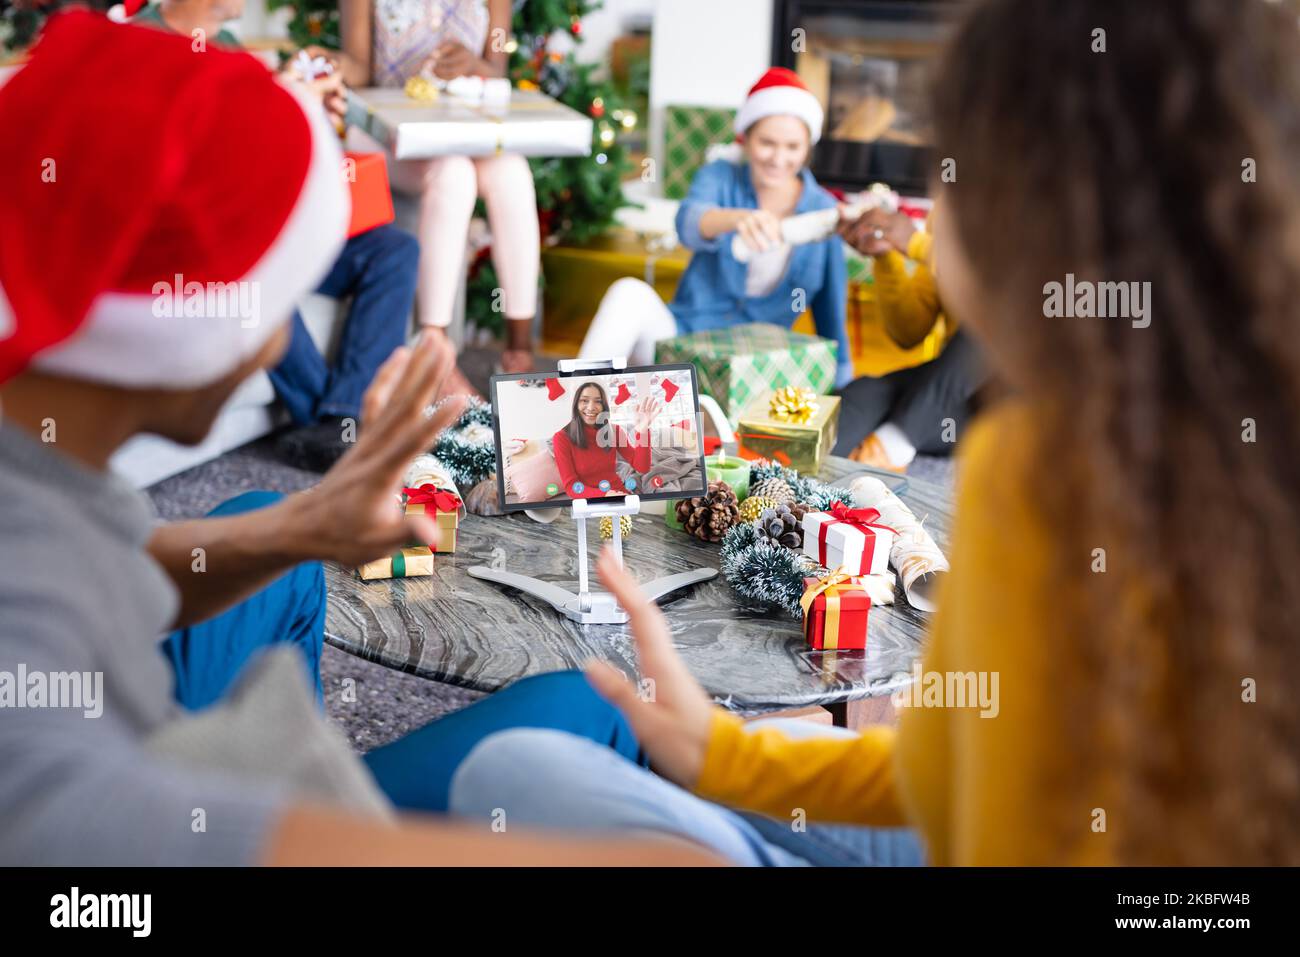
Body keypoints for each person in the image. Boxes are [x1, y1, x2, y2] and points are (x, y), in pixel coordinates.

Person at [441, 0, 1300, 866]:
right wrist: (719, 750)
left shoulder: (1034, 483)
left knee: (513, 776)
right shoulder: (1032, 457)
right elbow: (949, 775)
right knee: (525, 765)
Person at [0, 11, 716, 866]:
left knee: (277, 521)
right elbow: (69, 829)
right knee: (596, 705)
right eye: (272, 304)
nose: (274, 347)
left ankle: (302, 758)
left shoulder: (44, 474)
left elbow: (96, 572)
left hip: (178, 754)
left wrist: (299, 528)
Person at [131, 0, 424, 471]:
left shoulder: (227, 46)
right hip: (202, 247)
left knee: (394, 250)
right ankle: (339, 426)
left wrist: (308, 118)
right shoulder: (139, 46)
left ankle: (344, 418)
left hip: (263, 228)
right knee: (262, 272)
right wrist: (278, 106)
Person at [577, 68, 854, 390]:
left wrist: (844, 395)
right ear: (746, 139)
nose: (779, 158)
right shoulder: (720, 176)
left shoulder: (822, 213)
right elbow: (688, 223)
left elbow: (831, 315)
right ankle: (573, 408)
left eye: (793, 147)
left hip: (754, 372)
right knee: (629, 292)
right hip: (682, 343)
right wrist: (735, 219)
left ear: (807, 148)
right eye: (767, 143)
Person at [340, 0, 541, 380]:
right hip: (386, 134)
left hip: (462, 130)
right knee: (453, 174)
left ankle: (519, 349)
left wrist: (475, 65)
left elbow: (496, 70)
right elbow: (359, 68)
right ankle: (435, 355)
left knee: (512, 171)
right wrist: (331, 64)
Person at [832, 208, 986, 472]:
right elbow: (909, 332)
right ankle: (797, 473)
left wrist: (915, 242)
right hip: (948, 391)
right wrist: (885, 255)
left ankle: (894, 443)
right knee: (862, 395)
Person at [550, 382, 658, 498]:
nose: (591, 407)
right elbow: (571, 486)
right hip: (589, 500)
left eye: (598, 401)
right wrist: (605, 494)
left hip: (618, 494)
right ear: (576, 404)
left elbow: (642, 467)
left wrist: (643, 431)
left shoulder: (614, 431)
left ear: (604, 406)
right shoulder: (561, 438)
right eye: (584, 400)